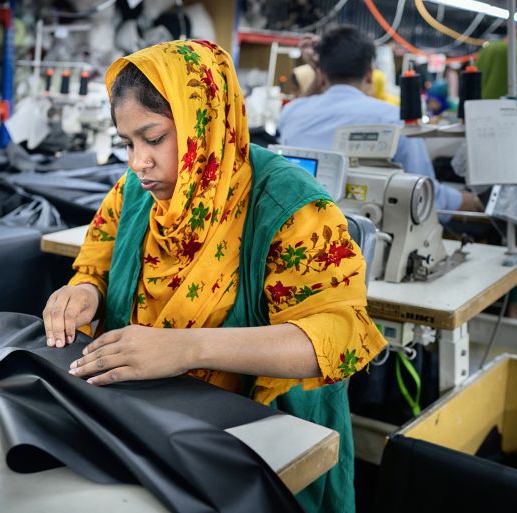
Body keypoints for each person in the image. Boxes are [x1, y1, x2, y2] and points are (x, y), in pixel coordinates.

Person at [42, 40, 387, 513]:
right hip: (148, 424)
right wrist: (83, 292)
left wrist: (187, 348)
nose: (137, 162)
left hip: (263, 443)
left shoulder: (292, 208)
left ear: (202, 121)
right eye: (127, 143)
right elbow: (97, 263)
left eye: (154, 138)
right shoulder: (135, 195)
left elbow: (337, 337)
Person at [278, 26, 483, 213]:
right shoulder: (395, 119)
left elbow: (306, 100)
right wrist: (471, 201)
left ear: (321, 74)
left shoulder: (292, 112)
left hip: (298, 226)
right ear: (369, 74)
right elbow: (425, 193)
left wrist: (318, 69)